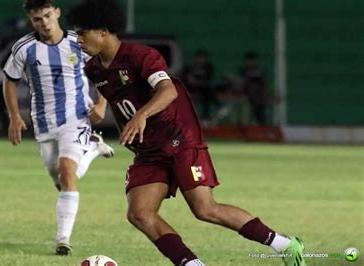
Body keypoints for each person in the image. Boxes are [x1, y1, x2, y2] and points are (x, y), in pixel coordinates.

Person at [66, 0, 305, 265]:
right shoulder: (93, 68)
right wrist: (102, 106)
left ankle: (286, 245)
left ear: (103, 31)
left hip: (179, 139)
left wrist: (141, 115)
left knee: (205, 209)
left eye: (82, 33)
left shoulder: (142, 56)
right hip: (148, 150)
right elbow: (110, 90)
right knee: (140, 214)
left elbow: (168, 90)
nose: (78, 39)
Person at [2, 0, 114, 256]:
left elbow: (105, 67)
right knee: (61, 181)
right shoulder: (24, 47)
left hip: (76, 117)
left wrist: (101, 103)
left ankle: (63, 239)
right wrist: (14, 116)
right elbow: (9, 80)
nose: (44, 23)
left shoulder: (79, 41)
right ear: (31, 21)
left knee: (67, 171)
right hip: (43, 122)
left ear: (57, 13)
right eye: (37, 19)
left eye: (47, 16)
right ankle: (94, 147)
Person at [182, 49, 219, 123]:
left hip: (203, 88)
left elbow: (208, 80)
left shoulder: (209, 67)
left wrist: (197, 81)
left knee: (207, 94)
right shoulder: (192, 67)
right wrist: (190, 79)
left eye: (203, 58)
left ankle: (206, 117)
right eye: (200, 58)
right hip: (192, 88)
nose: (201, 60)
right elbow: (186, 78)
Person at [238, 51, 270, 125]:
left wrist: (268, 95)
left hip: (258, 97)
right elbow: (241, 83)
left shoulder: (260, 72)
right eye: (249, 60)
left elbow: (265, 85)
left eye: (253, 60)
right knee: (254, 92)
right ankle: (259, 122)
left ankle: (260, 122)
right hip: (246, 94)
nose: (251, 62)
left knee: (257, 94)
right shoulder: (243, 71)